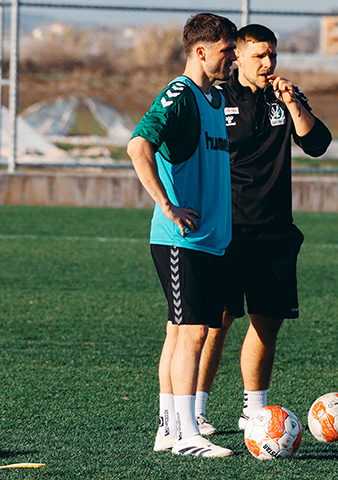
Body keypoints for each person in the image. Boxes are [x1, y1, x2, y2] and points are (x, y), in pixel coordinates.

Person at [194, 24, 332, 435]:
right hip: (227, 231)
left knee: (267, 323)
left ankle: (254, 411)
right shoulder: (216, 98)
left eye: (272, 54)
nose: (268, 63)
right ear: (237, 56)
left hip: (275, 231)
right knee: (217, 322)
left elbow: (318, 144)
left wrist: (293, 104)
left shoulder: (285, 96)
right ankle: (196, 410)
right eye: (259, 56)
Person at [126, 13, 237, 457]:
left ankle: (169, 430)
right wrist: (167, 205)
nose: (232, 57)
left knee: (179, 333)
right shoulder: (180, 94)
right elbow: (138, 145)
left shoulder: (215, 99)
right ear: (202, 51)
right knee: (191, 334)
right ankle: (188, 435)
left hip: (209, 240)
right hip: (181, 240)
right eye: (227, 50)